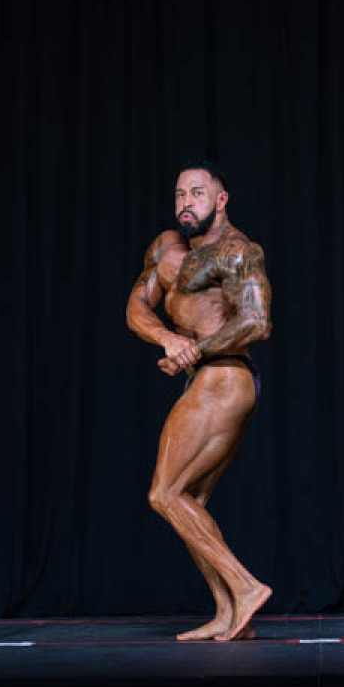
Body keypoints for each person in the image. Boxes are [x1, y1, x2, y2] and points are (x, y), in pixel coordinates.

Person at [125, 161, 272, 641]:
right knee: (190, 502)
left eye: (197, 193)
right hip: (206, 378)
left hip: (224, 377)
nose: (186, 202)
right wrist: (169, 339)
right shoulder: (167, 248)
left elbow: (257, 322)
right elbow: (136, 306)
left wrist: (195, 349)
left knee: (164, 494)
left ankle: (246, 587)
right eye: (179, 194)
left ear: (221, 200)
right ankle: (229, 614)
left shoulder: (238, 251)